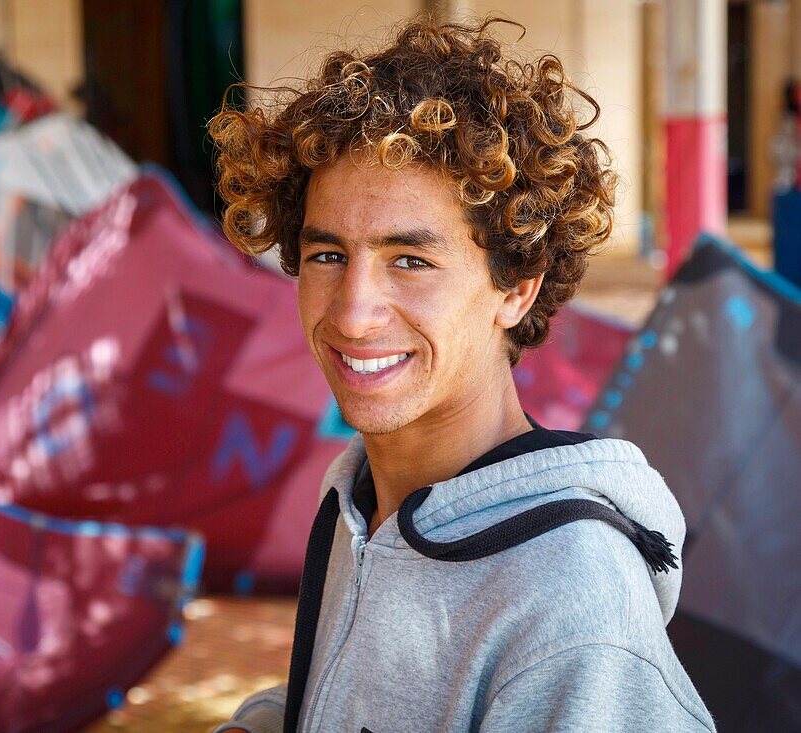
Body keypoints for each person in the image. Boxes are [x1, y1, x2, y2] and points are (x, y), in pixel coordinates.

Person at [207, 15, 716, 733]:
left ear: (517, 288)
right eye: (327, 255)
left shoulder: (569, 603)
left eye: (410, 260)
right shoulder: (361, 507)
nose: (353, 316)